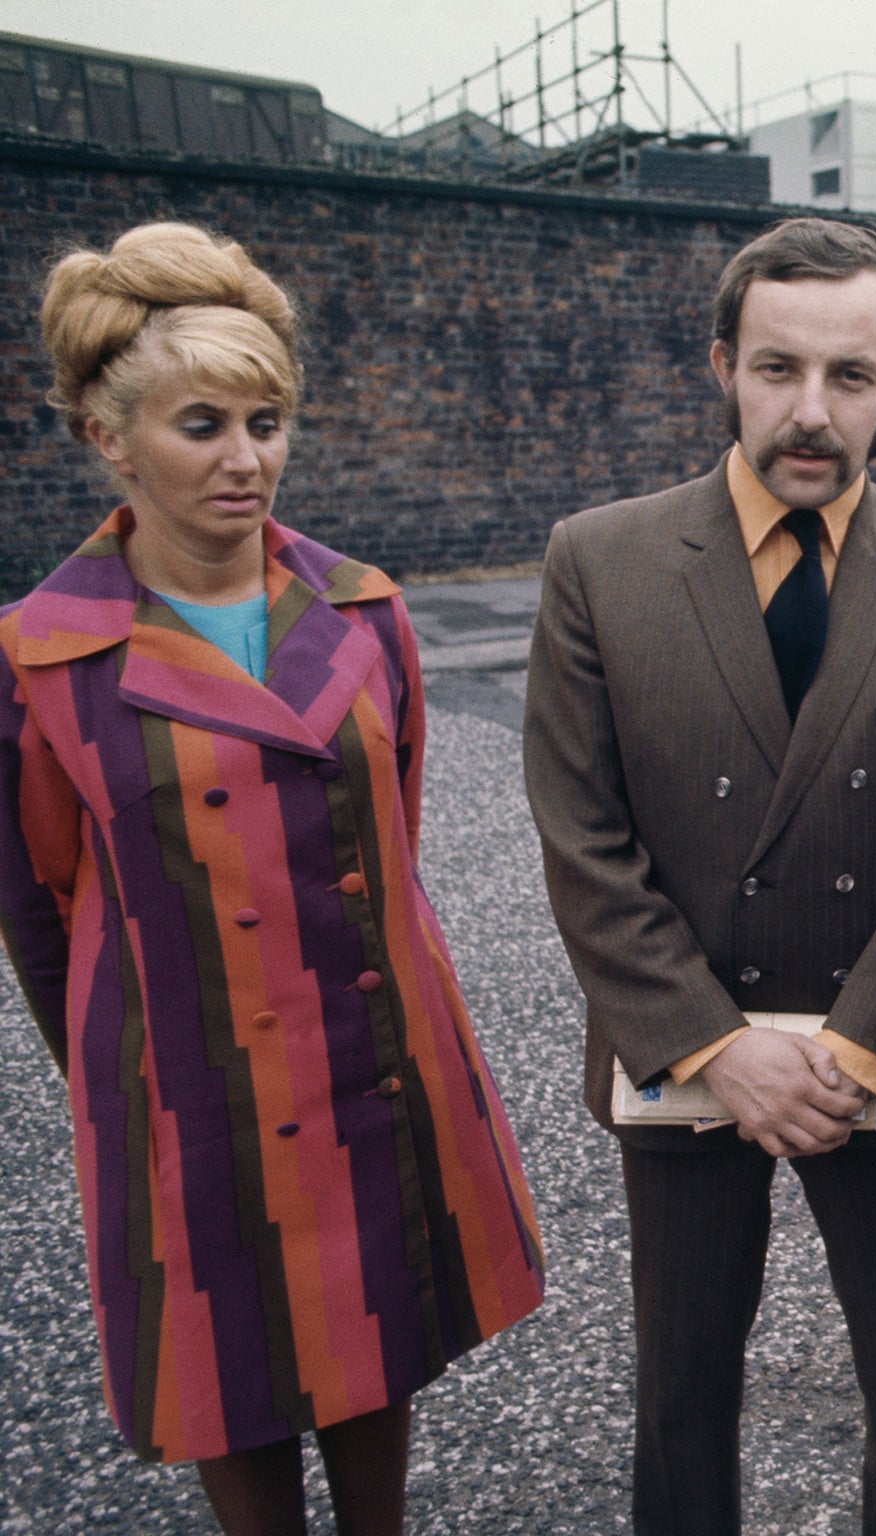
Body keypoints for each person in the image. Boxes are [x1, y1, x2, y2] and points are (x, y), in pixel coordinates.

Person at [0, 222, 545, 1534]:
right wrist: (126, 1076)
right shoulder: (39, 659)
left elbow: (389, 838)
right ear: (104, 437)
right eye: (203, 424)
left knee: (373, 1343)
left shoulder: (364, 613)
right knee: (224, 1375)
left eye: (269, 419)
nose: (247, 459)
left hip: (368, 1052)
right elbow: (44, 910)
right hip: (185, 1091)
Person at [522, 216, 876, 1536]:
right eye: (777, 369)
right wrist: (714, 1048)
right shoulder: (600, 561)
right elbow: (582, 839)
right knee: (682, 1392)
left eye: (850, 377)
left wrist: (848, 1054)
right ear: (721, 366)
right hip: (686, 1061)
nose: (812, 411)